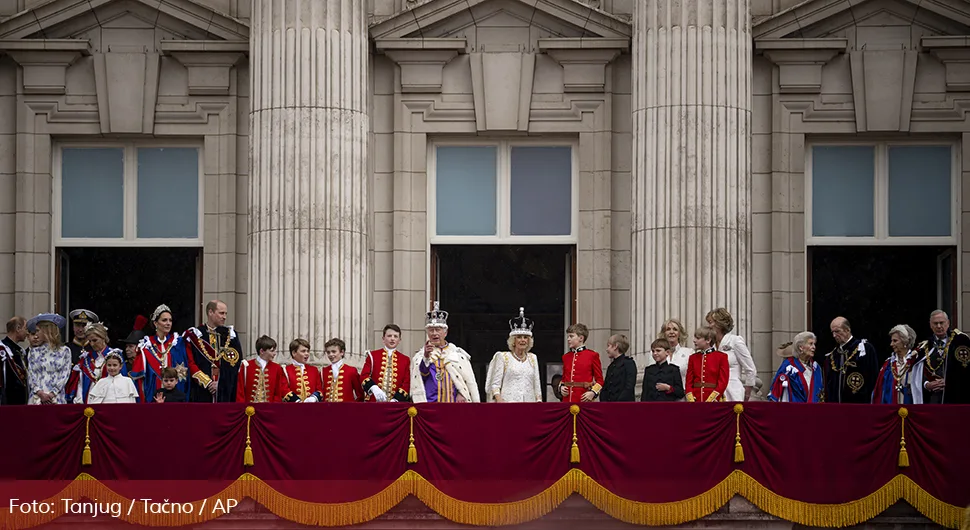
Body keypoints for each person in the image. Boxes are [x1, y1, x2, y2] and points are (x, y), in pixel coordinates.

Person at [411, 302, 480, 403]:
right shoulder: (421, 355)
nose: (434, 333)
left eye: (437, 330)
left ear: (445, 332)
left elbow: (466, 379)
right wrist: (426, 356)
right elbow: (422, 375)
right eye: (431, 330)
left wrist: (462, 393)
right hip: (431, 403)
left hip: (453, 404)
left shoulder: (458, 355)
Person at [184, 300, 243, 403]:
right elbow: (190, 363)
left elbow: (236, 363)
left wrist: (220, 383)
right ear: (210, 312)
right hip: (201, 390)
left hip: (225, 392)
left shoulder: (231, 335)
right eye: (221, 313)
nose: (224, 317)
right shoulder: (195, 335)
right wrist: (207, 382)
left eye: (225, 313)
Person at [130, 305, 190, 403]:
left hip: (175, 397)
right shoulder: (146, 345)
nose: (168, 323)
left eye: (170, 320)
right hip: (153, 394)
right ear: (155, 323)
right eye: (164, 320)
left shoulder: (177, 343)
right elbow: (139, 378)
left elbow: (184, 372)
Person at [485, 308, 542, 403]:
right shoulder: (503, 357)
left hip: (529, 405)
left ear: (529, 341)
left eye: (525, 337)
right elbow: (495, 385)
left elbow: (537, 384)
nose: (522, 340)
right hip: (508, 405)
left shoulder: (533, 358)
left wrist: (539, 401)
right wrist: (500, 401)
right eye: (519, 337)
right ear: (513, 341)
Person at [914, 310, 970, 404]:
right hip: (932, 399)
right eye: (935, 323)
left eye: (941, 323)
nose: (939, 326)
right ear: (930, 325)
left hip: (956, 397)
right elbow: (917, 372)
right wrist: (926, 385)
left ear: (948, 323)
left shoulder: (961, 341)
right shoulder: (925, 345)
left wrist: (949, 381)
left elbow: (966, 369)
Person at [824, 317, 879, 404]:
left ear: (847, 330)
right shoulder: (833, 356)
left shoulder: (865, 349)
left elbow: (874, 378)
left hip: (859, 405)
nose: (834, 335)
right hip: (836, 408)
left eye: (837, 331)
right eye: (832, 332)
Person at [706, 308, 757, 401]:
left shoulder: (735, 341)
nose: (709, 326)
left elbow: (750, 369)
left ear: (719, 323)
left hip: (732, 392)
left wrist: (747, 393)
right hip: (713, 394)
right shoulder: (711, 346)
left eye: (710, 322)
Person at [69, 322, 127, 404]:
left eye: (95, 340)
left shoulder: (115, 355)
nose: (92, 344)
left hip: (111, 400)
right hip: (90, 401)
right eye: (90, 341)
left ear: (103, 338)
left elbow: (122, 381)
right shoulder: (86, 358)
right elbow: (81, 383)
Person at [25, 314, 72, 405]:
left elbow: (65, 375)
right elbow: (31, 374)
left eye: (38, 330)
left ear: (46, 331)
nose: (36, 334)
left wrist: (52, 394)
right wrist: (40, 393)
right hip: (37, 399)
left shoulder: (64, 351)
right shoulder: (33, 352)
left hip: (56, 398)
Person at [873, 325, 923, 405]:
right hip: (891, 410)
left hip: (912, 409)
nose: (891, 344)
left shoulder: (917, 362)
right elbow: (879, 392)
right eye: (891, 341)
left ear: (905, 342)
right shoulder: (888, 364)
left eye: (895, 341)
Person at [361, 324, 410, 402]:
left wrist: (396, 399)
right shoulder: (372, 356)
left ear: (399, 340)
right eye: (389, 336)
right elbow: (364, 375)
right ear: (383, 339)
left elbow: (406, 383)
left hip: (395, 405)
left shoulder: (405, 360)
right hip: (373, 403)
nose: (392, 339)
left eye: (395, 336)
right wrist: (374, 388)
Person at [768, 332, 822, 403]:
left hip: (814, 410)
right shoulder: (788, 365)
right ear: (801, 347)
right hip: (793, 410)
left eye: (814, 344)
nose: (814, 347)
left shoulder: (816, 368)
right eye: (810, 344)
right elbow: (776, 389)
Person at [558, 323, 604, 403]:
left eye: (571, 336)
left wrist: (593, 393)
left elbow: (600, 380)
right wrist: (561, 387)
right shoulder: (566, 357)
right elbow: (564, 378)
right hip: (567, 400)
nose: (568, 339)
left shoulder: (592, 355)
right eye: (568, 336)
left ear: (581, 338)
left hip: (584, 400)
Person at [236, 335, 288, 403]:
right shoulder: (246, 366)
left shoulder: (277, 367)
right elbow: (240, 390)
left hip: (269, 410)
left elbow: (277, 392)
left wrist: (275, 408)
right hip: (249, 409)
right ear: (262, 351)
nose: (275, 353)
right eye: (272, 351)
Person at [685, 326, 729, 403]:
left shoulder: (721, 357)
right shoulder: (693, 358)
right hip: (696, 398)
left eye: (697, 338)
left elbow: (723, 381)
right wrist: (690, 396)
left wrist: (713, 398)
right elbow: (689, 381)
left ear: (708, 340)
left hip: (714, 399)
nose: (694, 340)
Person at [322, 338, 364, 402]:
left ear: (342, 352)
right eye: (328, 352)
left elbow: (360, 394)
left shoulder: (351, 371)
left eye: (333, 351)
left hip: (346, 410)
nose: (330, 354)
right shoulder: (323, 371)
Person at [282, 338, 323, 403]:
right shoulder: (285, 370)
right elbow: (284, 389)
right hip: (292, 408)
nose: (307, 354)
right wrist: (297, 401)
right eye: (303, 351)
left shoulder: (314, 370)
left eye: (308, 351)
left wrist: (313, 398)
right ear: (294, 353)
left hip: (312, 408)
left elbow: (319, 389)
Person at [1, 316, 29, 405]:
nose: (27, 333)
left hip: (20, 401)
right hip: (7, 401)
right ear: (18, 328)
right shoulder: (3, 350)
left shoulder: (20, 351)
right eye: (25, 329)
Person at [658, 318, 692, 390]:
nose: (671, 332)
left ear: (679, 334)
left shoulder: (689, 353)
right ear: (664, 333)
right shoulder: (656, 353)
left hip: (682, 396)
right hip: (661, 397)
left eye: (675, 329)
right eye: (668, 329)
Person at [601, 334, 637, 402]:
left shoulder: (629, 363)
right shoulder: (611, 366)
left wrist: (618, 402)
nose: (607, 349)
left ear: (615, 346)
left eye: (608, 346)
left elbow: (629, 386)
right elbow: (606, 387)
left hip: (623, 406)